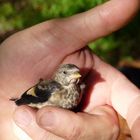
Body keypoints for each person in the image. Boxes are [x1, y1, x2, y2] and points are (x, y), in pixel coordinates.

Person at [0, 0, 139, 139]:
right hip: (27, 105)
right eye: (67, 73)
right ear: (60, 75)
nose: (75, 75)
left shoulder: (78, 89)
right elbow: (31, 97)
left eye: (76, 73)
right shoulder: (50, 88)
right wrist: (19, 101)